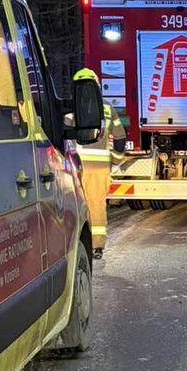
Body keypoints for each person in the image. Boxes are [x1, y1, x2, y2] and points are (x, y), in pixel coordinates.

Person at [72, 68, 127, 257]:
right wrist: (116, 162)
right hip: (99, 169)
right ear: (97, 86)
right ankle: (96, 247)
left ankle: (74, 245)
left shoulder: (70, 109)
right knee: (96, 205)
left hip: (73, 167)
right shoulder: (107, 109)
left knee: (73, 206)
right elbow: (120, 138)